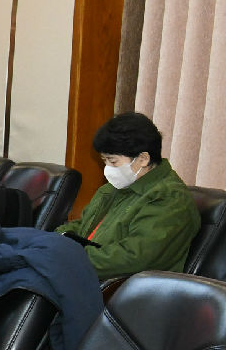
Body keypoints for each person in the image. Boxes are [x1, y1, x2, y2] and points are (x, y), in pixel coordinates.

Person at [56, 112, 200, 279]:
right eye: (104, 161)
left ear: (143, 159)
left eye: (113, 161)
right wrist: (53, 242)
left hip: (116, 287)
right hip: (83, 273)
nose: (107, 168)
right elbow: (82, 226)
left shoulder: (169, 199)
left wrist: (67, 259)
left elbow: (133, 258)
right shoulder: (114, 188)